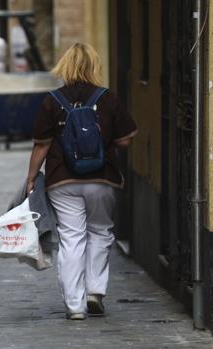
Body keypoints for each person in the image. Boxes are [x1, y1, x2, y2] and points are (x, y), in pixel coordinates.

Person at [26, 43, 137, 320]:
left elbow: (41, 145)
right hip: (102, 177)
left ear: (64, 66)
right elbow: (125, 139)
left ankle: (75, 306)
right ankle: (94, 292)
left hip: (62, 180)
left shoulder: (52, 100)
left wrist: (30, 178)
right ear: (93, 66)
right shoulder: (108, 98)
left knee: (71, 238)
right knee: (100, 232)